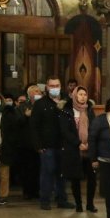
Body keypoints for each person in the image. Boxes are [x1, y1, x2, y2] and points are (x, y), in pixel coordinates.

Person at [31, 77, 71, 210]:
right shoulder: (40, 104)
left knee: (62, 173)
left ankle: (62, 199)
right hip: (47, 145)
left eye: (57, 85)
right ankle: (45, 200)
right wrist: (38, 145)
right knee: (47, 173)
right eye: (52, 86)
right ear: (47, 88)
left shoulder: (66, 102)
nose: (55, 88)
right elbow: (34, 126)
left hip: (63, 144)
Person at [61, 86, 97, 213]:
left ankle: (90, 204)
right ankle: (79, 204)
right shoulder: (67, 111)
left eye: (85, 94)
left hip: (89, 149)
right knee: (75, 178)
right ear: (75, 96)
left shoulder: (89, 110)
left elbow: (94, 128)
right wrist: (78, 143)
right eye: (80, 94)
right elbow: (65, 131)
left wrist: (89, 143)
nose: (83, 97)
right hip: (74, 150)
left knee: (92, 178)